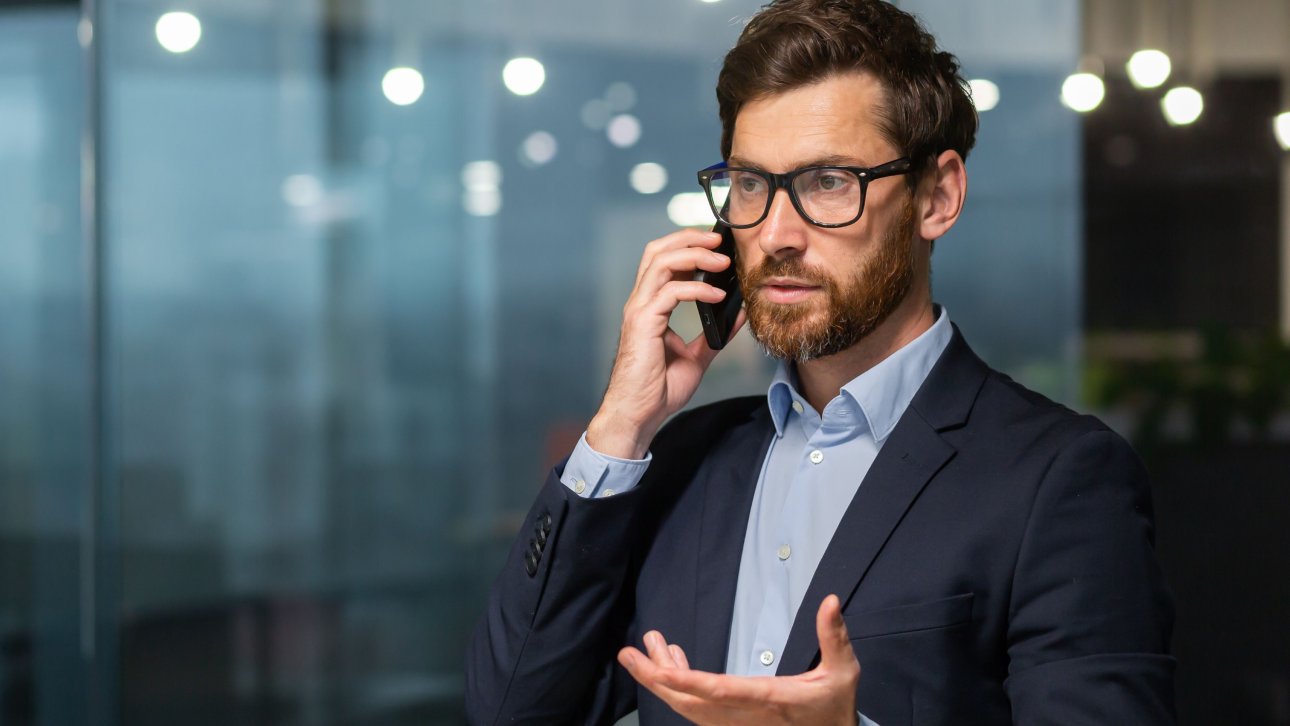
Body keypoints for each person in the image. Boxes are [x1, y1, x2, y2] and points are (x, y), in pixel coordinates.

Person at [466, 0, 1176, 723]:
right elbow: (512, 709)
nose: (775, 233)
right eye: (750, 184)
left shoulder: (1060, 478)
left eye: (829, 182)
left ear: (938, 196)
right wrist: (620, 424)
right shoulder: (680, 462)